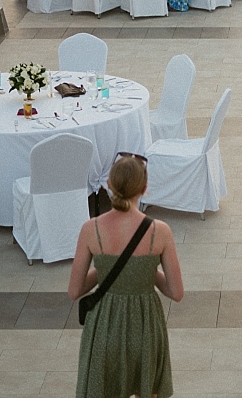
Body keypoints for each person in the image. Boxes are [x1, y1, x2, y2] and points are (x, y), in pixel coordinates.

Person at [68, 151, 181, 398]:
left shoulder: (91, 229)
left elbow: (75, 290)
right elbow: (176, 292)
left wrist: (106, 268)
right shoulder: (159, 231)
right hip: (145, 326)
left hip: (105, 326)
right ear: (145, 188)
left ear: (108, 186)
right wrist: (144, 271)